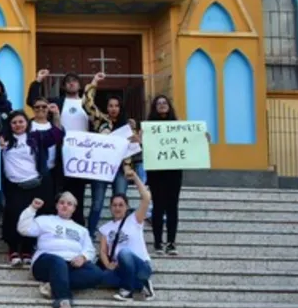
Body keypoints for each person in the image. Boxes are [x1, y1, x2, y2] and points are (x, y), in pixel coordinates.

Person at [18, 194, 103, 308]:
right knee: (58, 262)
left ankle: (54, 283)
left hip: (71, 264)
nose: (65, 205)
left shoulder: (81, 230)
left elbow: (90, 250)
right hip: (46, 261)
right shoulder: (45, 220)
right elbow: (23, 229)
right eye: (62, 202)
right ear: (57, 205)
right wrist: (32, 209)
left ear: (74, 208)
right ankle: (63, 304)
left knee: (97, 273)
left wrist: (83, 257)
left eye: (69, 204)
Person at [0, 107, 64, 267]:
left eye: (21, 121)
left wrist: (56, 116)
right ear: (9, 125)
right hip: (14, 185)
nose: (17, 125)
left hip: (36, 184)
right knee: (13, 215)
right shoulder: (2, 140)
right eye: (14, 122)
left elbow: (57, 135)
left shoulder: (37, 137)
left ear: (27, 123)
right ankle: (13, 249)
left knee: (33, 217)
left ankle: (28, 249)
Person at [27, 69, 91, 225]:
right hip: (62, 153)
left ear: (79, 84)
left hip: (83, 154)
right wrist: (37, 81)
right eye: (68, 81)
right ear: (63, 86)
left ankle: (78, 224)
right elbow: (34, 101)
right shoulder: (57, 102)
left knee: (79, 193)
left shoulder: (88, 104)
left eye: (74, 80)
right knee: (60, 191)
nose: (71, 82)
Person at [84, 73, 138, 237]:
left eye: (116, 106)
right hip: (101, 169)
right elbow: (88, 104)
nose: (113, 108)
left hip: (120, 170)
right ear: (106, 107)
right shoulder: (100, 121)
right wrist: (93, 83)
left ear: (120, 108)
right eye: (110, 105)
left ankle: (119, 232)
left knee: (120, 203)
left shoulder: (128, 126)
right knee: (97, 204)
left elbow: (133, 149)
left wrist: (136, 139)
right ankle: (90, 232)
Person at [99, 167, 155, 301]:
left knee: (123, 253)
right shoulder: (105, 228)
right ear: (110, 207)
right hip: (120, 268)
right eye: (114, 205)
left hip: (141, 267)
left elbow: (146, 198)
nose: (117, 208)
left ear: (127, 207)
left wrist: (135, 177)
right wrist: (107, 265)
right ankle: (141, 285)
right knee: (101, 277)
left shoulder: (135, 219)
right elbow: (102, 250)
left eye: (121, 205)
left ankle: (128, 291)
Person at [146, 95, 188, 256]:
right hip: (156, 171)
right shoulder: (149, 126)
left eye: (165, 103)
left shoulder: (178, 126)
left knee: (172, 207)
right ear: (154, 108)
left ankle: (171, 242)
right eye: (159, 103)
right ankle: (157, 242)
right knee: (158, 206)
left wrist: (201, 138)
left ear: (169, 106)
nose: (162, 105)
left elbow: (190, 142)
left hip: (174, 171)